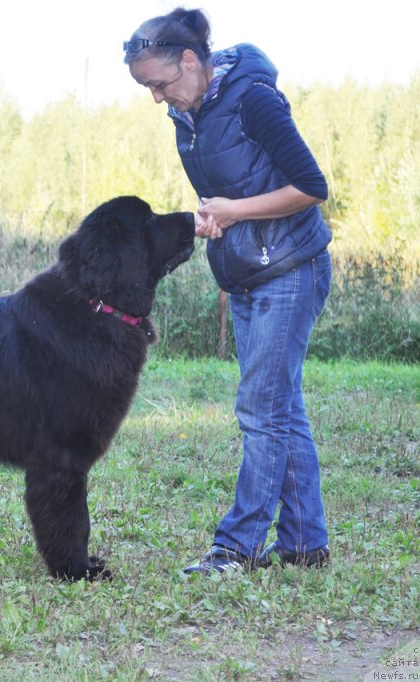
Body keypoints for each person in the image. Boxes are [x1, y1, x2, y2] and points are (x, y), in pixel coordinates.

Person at [124, 7, 333, 574]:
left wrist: (235, 209)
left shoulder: (253, 99)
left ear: (190, 61)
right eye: (147, 88)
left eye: (160, 84)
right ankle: (304, 546)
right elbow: (236, 187)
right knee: (281, 408)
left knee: (261, 411)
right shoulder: (188, 113)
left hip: (292, 266)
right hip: (247, 269)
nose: (157, 98)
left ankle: (234, 550)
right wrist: (221, 218)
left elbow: (312, 187)